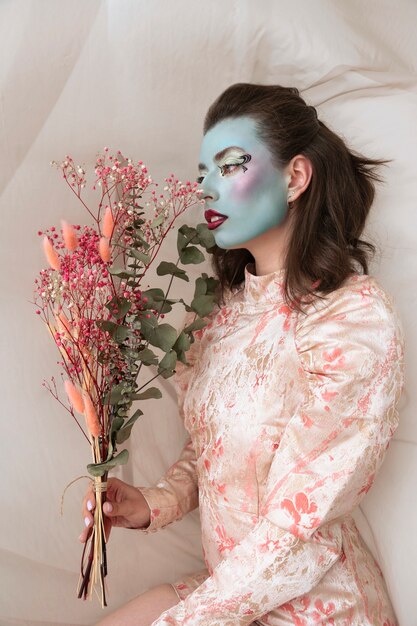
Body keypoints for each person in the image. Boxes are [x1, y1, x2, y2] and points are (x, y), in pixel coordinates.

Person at [80, 83, 405, 625]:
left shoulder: (351, 322)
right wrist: (153, 503)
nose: (206, 188)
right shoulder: (219, 317)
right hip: (232, 597)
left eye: (230, 166)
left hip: (317, 607)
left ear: (296, 177)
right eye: (204, 172)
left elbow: (298, 531)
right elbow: (213, 449)